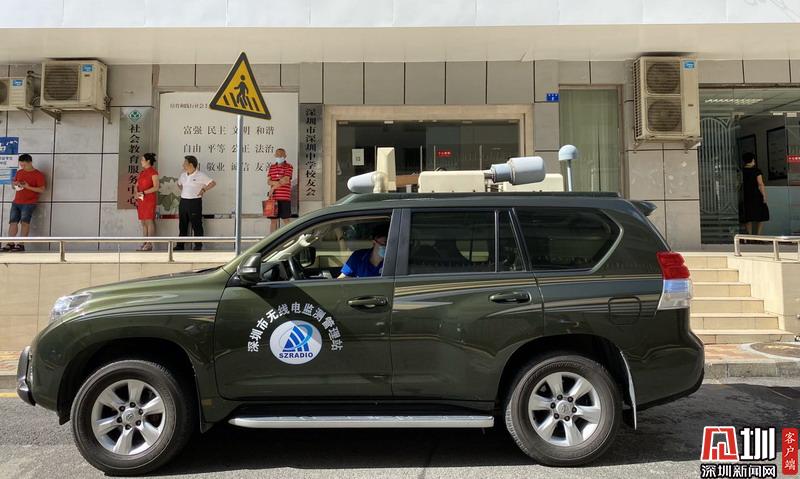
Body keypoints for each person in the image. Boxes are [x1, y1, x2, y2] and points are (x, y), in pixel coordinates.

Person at [1, 154, 46, 252]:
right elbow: (13, 186)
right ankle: (10, 243)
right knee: (13, 222)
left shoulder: (38, 174)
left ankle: (21, 244)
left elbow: (42, 189)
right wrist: (15, 184)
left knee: (25, 222)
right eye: (21, 165)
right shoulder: (19, 172)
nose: (22, 167)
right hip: (16, 201)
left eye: (24, 165)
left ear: (30, 162)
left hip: (29, 203)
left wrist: (28, 187)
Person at [176, 155, 216, 251]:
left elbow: (212, 183)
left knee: (196, 224)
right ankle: (180, 245)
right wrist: (185, 191)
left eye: (185, 163)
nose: (183, 165)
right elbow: (179, 184)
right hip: (183, 201)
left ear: (191, 164)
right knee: (182, 224)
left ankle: (198, 245)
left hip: (194, 202)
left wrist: (203, 190)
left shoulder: (200, 175)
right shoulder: (183, 175)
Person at [740, 152, 769, 236]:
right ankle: (758, 236)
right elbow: (760, 184)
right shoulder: (756, 171)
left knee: (748, 217)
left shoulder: (742, 171)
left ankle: (749, 236)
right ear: (752, 160)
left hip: (746, 195)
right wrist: (764, 196)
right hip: (756, 195)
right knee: (761, 216)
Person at [135, 153, 159, 251]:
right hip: (141, 199)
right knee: (143, 222)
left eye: (142, 159)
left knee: (149, 220)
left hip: (149, 199)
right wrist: (136, 193)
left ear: (148, 161)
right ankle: (144, 242)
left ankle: (149, 243)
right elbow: (136, 185)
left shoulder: (153, 172)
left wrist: (144, 192)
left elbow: (156, 187)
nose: (141, 161)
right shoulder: (142, 172)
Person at [267, 148, 294, 232]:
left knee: (286, 220)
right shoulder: (272, 167)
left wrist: (273, 187)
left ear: (285, 156)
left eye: (281, 155)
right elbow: (268, 181)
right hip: (273, 199)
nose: (279, 156)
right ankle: (272, 238)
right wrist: (277, 182)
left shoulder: (289, 166)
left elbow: (286, 180)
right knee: (273, 221)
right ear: (275, 155)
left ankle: (290, 237)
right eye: (277, 155)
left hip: (284, 198)